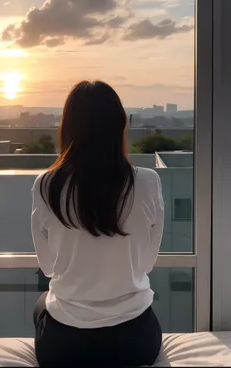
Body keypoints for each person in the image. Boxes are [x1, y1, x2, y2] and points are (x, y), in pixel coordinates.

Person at [31, 80, 164, 367]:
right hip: (135, 342)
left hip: (64, 346)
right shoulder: (147, 182)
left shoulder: (46, 185)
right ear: (120, 125)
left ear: (68, 127)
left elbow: (48, 267)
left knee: (41, 303)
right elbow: (147, 264)